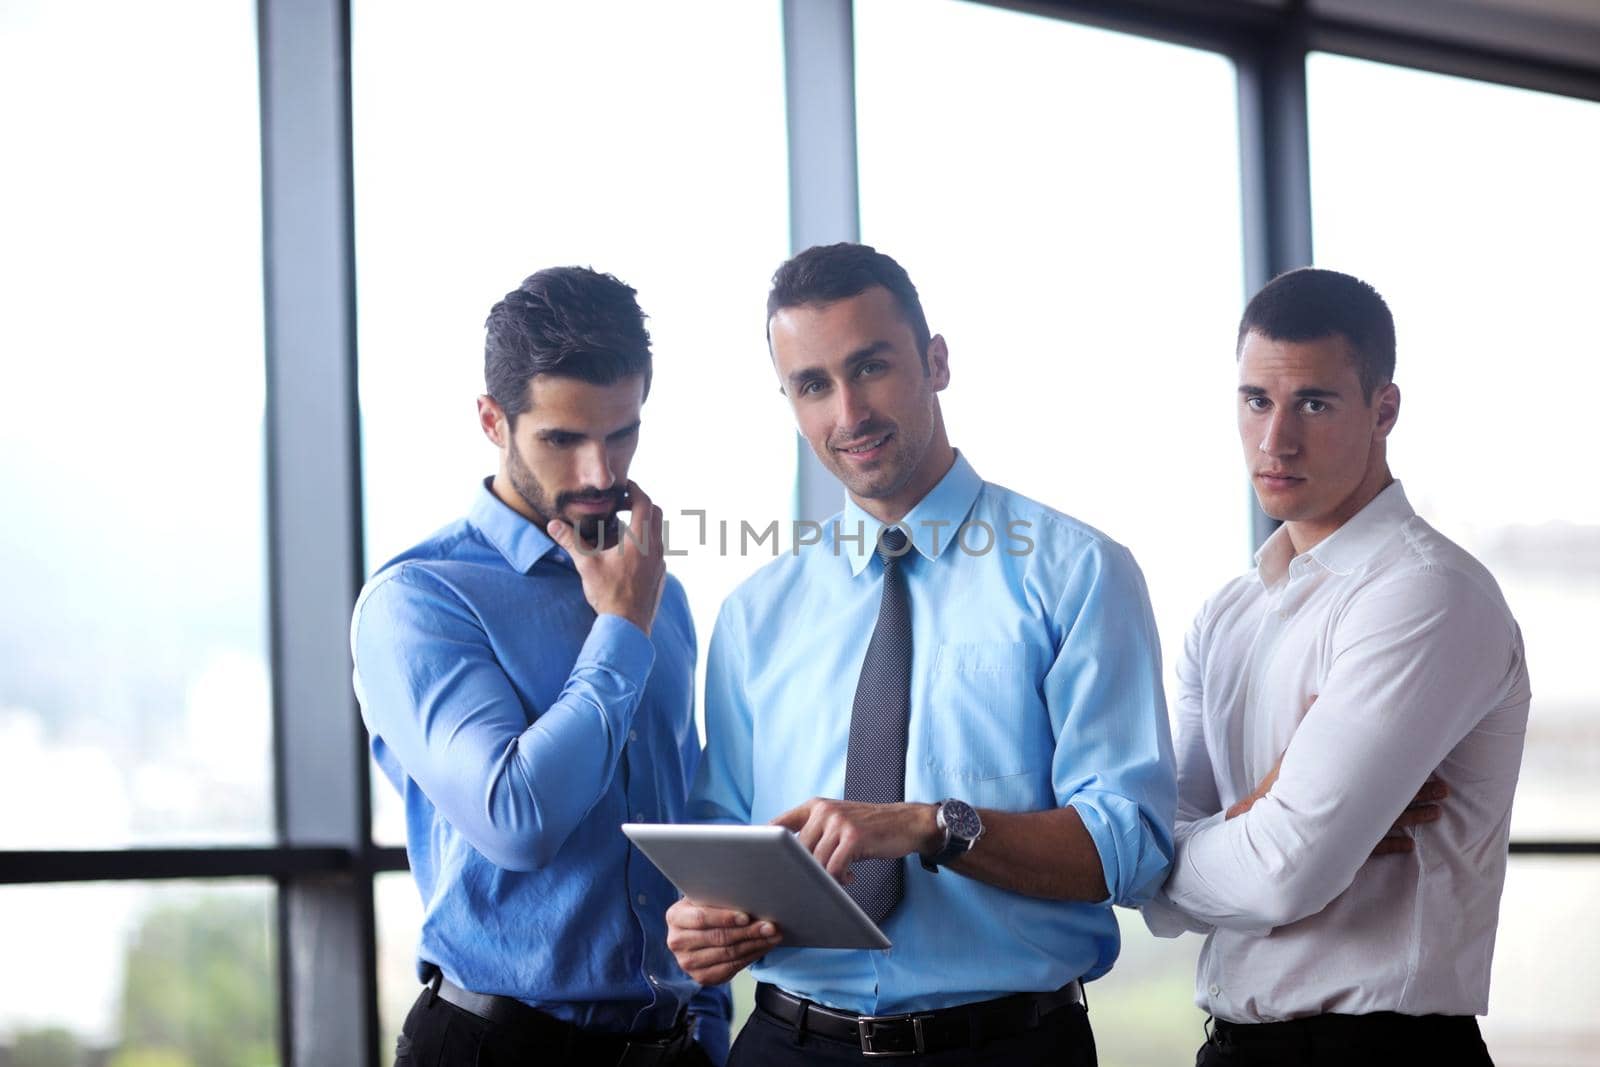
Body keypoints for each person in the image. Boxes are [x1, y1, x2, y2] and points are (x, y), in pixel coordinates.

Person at [666, 242, 1177, 1065]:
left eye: (870, 367)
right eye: (812, 385)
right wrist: (706, 923)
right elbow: (729, 841)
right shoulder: (755, 615)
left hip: (1006, 1046)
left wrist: (930, 825)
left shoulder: (1077, 574)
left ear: (936, 362)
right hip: (788, 1043)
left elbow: (1129, 844)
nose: (848, 413)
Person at [1142, 268, 1531, 1066]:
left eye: (1313, 403)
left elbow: (1278, 875)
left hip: (1381, 1051)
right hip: (1233, 1046)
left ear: (1383, 409)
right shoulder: (1227, 612)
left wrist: (1171, 859)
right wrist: (1254, 812)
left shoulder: (1425, 593)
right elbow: (1157, 854)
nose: (1275, 439)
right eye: (1256, 401)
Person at [351, 266, 730, 1066]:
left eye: (622, 432)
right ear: (494, 419)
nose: (601, 473)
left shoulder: (664, 596)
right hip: (497, 1046)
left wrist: (710, 1025)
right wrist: (624, 625)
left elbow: (688, 827)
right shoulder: (419, 600)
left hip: (670, 1046)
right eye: (562, 439)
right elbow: (516, 820)